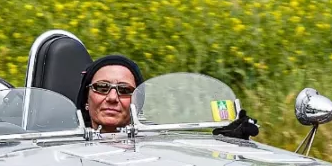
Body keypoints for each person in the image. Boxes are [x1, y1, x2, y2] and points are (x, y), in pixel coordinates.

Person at [76, 54, 259, 139]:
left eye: (124, 90)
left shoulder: (157, 140)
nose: (112, 97)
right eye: (102, 87)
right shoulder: (66, 142)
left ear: (137, 103)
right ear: (86, 99)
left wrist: (229, 141)